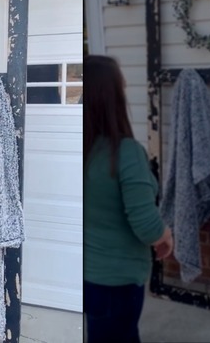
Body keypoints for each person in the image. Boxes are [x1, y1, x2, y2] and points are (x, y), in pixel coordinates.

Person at [82, 55, 174, 343]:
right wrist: (165, 234)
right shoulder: (125, 153)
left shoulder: (81, 149)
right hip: (117, 280)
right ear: (111, 97)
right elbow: (146, 225)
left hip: (88, 276)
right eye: (121, 87)